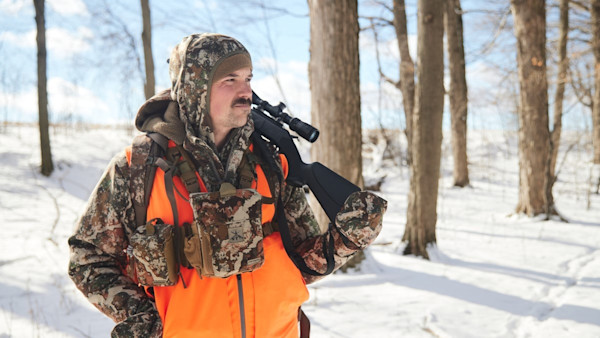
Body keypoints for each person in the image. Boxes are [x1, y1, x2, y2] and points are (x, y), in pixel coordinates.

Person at [68, 33, 387, 338]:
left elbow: (302, 265)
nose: (245, 90)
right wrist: (142, 317)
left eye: (248, 78)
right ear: (195, 88)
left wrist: (346, 239)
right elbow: (87, 259)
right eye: (229, 80)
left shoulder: (271, 164)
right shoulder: (136, 168)